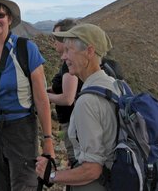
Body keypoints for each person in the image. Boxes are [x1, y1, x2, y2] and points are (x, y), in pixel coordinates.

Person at [0, 0, 55, 191]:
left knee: (23, 185)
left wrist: (48, 140)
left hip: (20, 129)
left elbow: (42, 99)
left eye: (0, 14)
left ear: (9, 19)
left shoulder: (26, 49)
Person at [36, 23, 120, 191]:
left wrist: (51, 175)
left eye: (69, 50)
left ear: (89, 51)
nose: (63, 57)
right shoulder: (114, 84)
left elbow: (92, 169)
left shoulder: (87, 101)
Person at [47, 18, 83, 167]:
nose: (54, 41)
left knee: (77, 162)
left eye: (57, 37)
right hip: (72, 123)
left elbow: (68, 98)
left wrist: (42, 96)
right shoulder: (67, 62)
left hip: (72, 124)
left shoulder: (70, 66)